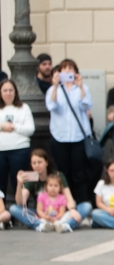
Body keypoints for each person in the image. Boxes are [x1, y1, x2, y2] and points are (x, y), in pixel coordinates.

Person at [45, 59, 93, 204]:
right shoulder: (54, 90)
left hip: (77, 137)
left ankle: (81, 204)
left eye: (70, 69)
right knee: (63, 174)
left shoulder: (82, 88)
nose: (67, 71)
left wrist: (81, 87)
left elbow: (87, 106)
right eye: (64, 69)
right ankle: (65, 205)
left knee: (79, 173)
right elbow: (51, 106)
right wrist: (54, 86)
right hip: (59, 137)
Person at [10, 148, 92, 231]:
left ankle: (65, 225)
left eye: (39, 162)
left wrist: (72, 210)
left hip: (61, 212)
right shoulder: (32, 178)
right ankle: (41, 225)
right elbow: (20, 202)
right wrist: (19, 184)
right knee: (13, 208)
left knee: (86, 206)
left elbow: (68, 197)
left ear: (46, 162)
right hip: (41, 213)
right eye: (34, 163)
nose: (37, 165)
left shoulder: (57, 175)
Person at [0, 79, 35, 197]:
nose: (8, 93)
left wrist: (14, 127)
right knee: (0, 186)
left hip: (20, 151)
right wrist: (2, 126)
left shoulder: (24, 108)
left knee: (20, 184)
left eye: (11, 90)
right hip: (0, 151)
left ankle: (20, 212)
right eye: (5, 90)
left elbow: (30, 129)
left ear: (15, 92)